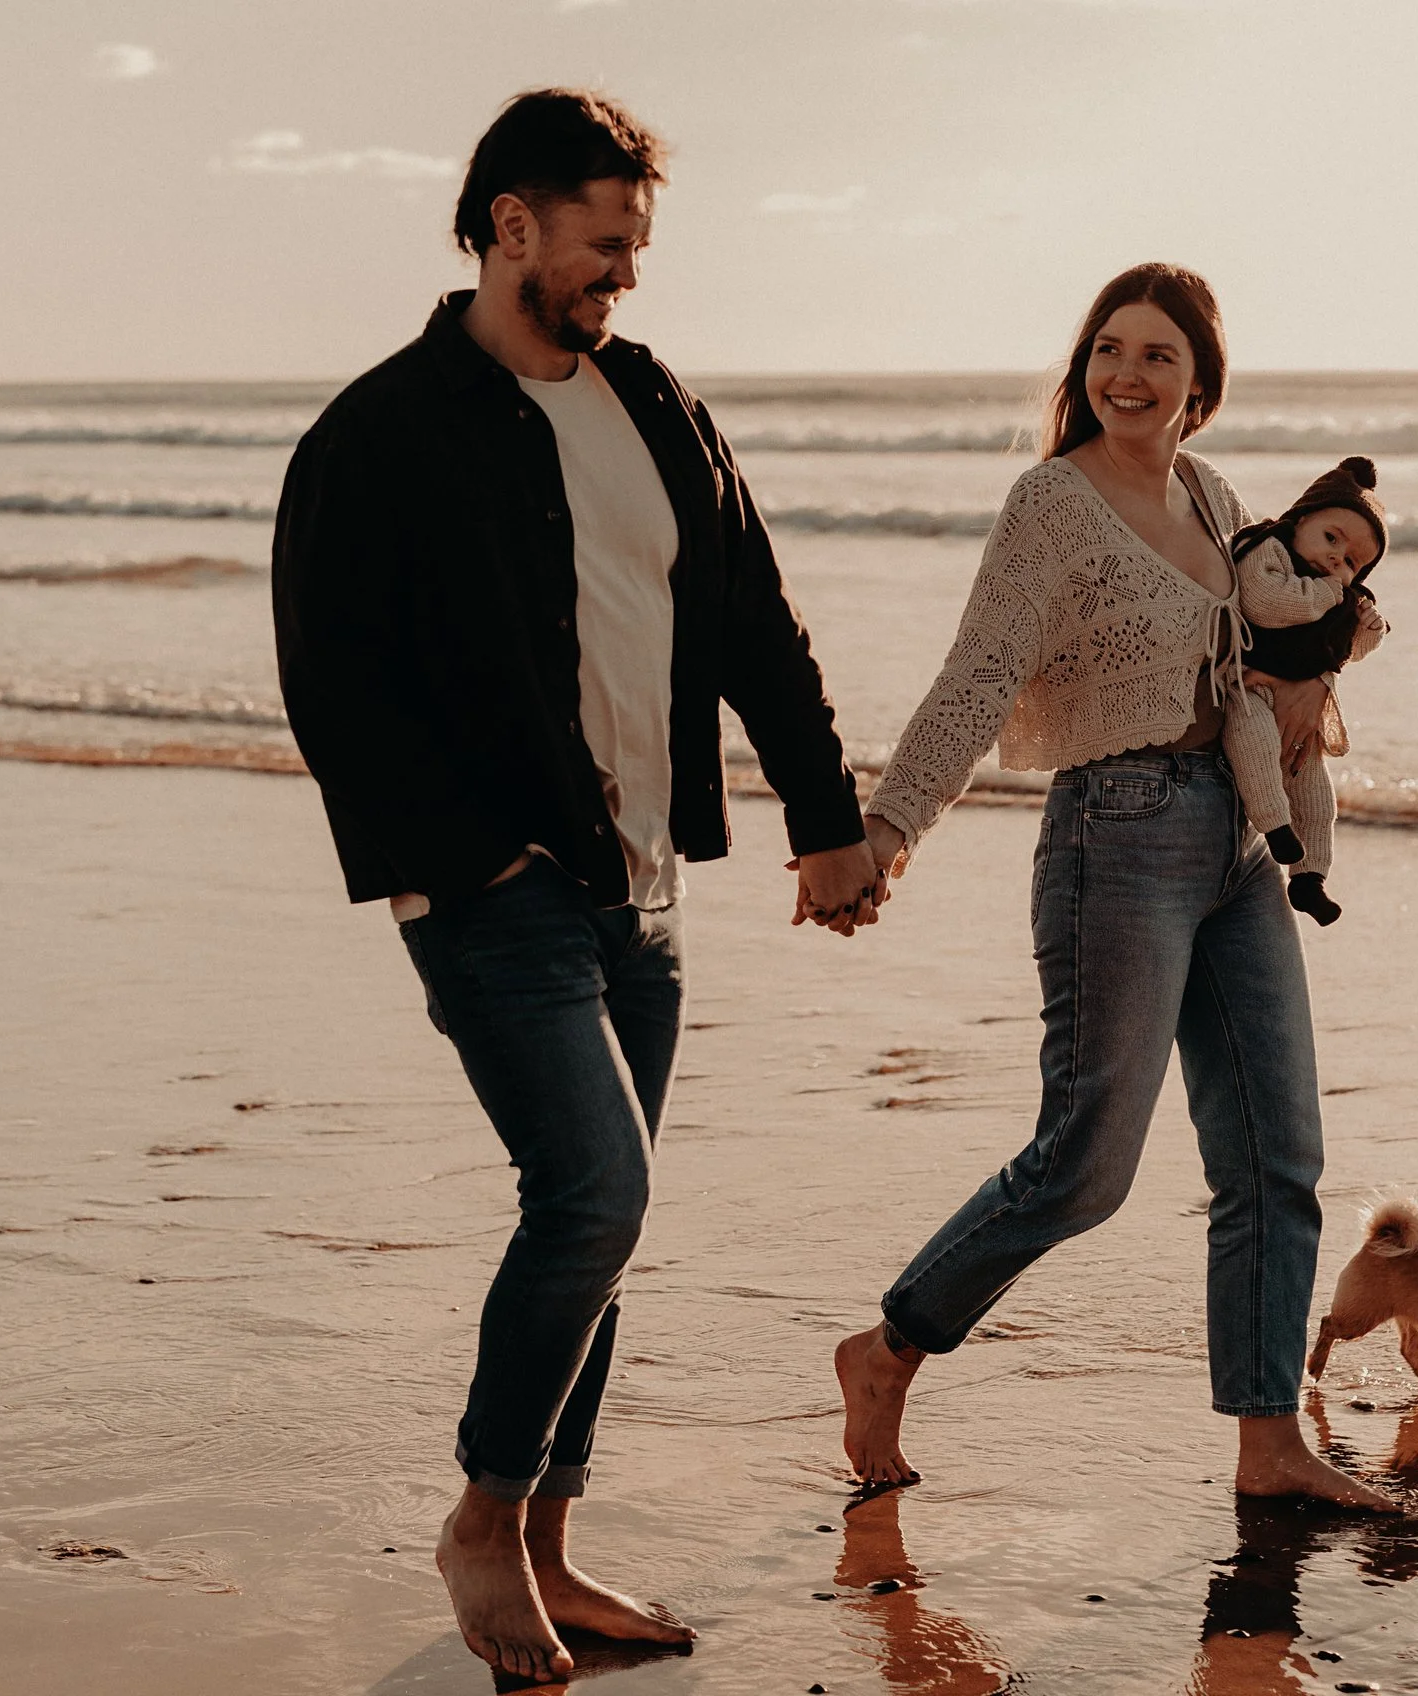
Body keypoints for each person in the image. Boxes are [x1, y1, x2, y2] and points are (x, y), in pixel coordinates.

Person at [271, 89, 885, 1686]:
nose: (625, 273)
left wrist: (826, 820)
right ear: (508, 224)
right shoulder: (383, 428)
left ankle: (549, 1544)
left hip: (644, 887)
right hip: (495, 890)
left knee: (601, 1222)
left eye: (638, 244)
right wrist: (469, 854)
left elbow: (752, 611)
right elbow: (334, 684)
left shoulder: (650, 400)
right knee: (596, 1193)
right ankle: (485, 1519)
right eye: (603, 241)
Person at [831, 262, 1402, 1513]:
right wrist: (887, 825)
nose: (1126, 375)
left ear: (1199, 384)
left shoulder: (1212, 495)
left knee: (1275, 1156)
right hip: (1118, 836)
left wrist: (1319, 676)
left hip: (1239, 846)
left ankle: (1266, 1444)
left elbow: (1289, 628)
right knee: (1088, 1163)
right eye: (1108, 350)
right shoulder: (1050, 503)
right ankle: (888, 1349)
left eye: (1156, 355)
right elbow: (979, 676)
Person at [1223, 454, 1392, 927]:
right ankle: (1275, 827)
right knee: (1254, 745)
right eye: (1331, 537)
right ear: (1300, 519)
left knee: (1315, 792)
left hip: (1301, 707)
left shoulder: (1341, 591)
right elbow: (1268, 603)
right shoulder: (1269, 551)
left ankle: (1310, 877)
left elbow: (1349, 648)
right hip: (1248, 686)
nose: (1337, 557)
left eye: (1354, 561)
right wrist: (1330, 594)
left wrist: (1368, 626)